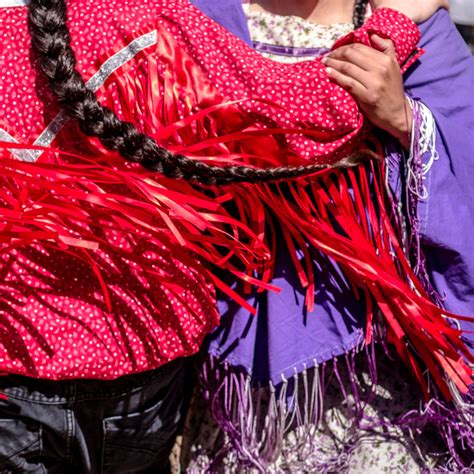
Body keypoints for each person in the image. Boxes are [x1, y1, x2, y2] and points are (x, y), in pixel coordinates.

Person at [0, 0, 470, 473]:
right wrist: (394, 28)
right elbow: (297, 117)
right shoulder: (175, 14)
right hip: (207, 380)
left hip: (369, 375)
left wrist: (408, 120)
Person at [179, 0, 474, 472]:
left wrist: (405, 120)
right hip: (242, 390)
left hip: (381, 390)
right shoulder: (195, 19)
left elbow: (468, 153)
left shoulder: (421, 29)